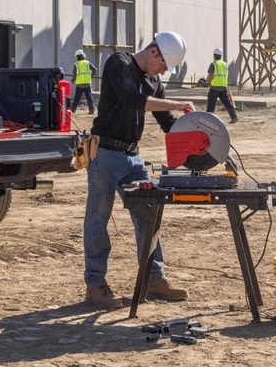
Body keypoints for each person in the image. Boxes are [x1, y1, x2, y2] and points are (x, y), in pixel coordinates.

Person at [83, 31, 196, 309]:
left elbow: (167, 123)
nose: (163, 71)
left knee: (149, 215)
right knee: (99, 218)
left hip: (133, 156)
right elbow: (133, 99)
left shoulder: (154, 82)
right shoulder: (118, 63)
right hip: (105, 153)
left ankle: (154, 279)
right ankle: (95, 285)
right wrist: (180, 103)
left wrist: (197, 140)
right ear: (154, 51)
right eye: (163, 65)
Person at [206, 48, 238, 124]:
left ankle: (208, 119)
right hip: (223, 87)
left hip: (214, 87)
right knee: (227, 103)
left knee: (211, 104)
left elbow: (210, 75)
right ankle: (234, 117)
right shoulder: (225, 64)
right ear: (221, 56)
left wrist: (208, 81)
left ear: (214, 55)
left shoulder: (213, 64)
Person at [72, 49, 97, 114]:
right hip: (87, 83)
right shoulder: (87, 63)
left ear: (77, 56)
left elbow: (74, 74)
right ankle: (92, 110)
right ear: (83, 55)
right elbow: (95, 69)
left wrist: (73, 80)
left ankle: (73, 110)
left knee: (77, 98)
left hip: (79, 84)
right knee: (89, 98)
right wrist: (90, 76)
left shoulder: (76, 64)